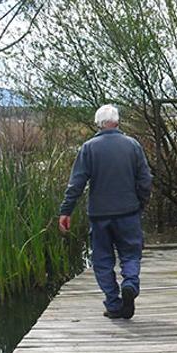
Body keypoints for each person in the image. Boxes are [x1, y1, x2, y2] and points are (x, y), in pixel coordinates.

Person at [58, 104, 154, 319]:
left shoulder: (89, 148)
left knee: (102, 260)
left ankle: (113, 303)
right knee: (130, 254)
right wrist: (141, 202)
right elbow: (146, 179)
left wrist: (66, 211)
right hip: (128, 212)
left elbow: (76, 184)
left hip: (99, 215)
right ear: (117, 121)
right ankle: (129, 284)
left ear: (98, 123)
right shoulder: (133, 146)